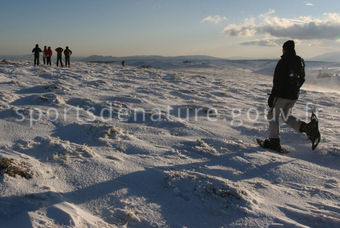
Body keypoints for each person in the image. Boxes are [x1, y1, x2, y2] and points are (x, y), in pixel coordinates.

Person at [262, 40, 317, 150]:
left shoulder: (283, 61)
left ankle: (274, 142)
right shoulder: (299, 61)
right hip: (293, 96)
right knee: (286, 116)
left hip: (281, 95)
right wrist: (294, 89)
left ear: (284, 49)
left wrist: (273, 96)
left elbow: (278, 81)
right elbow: (302, 79)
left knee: (272, 116)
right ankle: (306, 128)